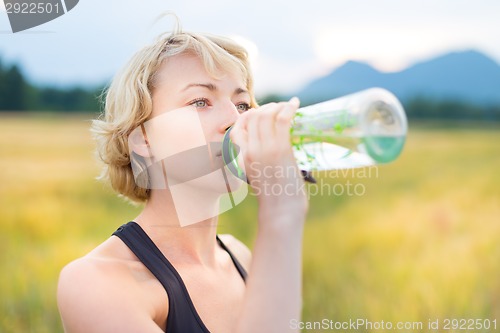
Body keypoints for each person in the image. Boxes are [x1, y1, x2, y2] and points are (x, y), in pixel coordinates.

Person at [57, 21, 308, 333]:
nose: (236, 119)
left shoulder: (239, 257)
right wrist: (281, 214)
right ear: (144, 138)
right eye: (200, 101)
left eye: (242, 103)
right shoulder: (95, 283)